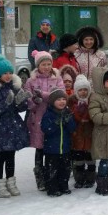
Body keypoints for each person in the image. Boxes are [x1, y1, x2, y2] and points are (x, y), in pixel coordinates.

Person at [0, 55, 31, 198]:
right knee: (0, 157)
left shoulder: (14, 86)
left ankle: (11, 182)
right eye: (5, 73)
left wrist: (20, 101)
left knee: (11, 156)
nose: (8, 75)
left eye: (10, 72)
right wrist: (6, 102)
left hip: (13, 126)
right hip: (0, 128)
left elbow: (21, 108)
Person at [25, 50, 65, 191]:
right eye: (43, 64)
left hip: (54, 116)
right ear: (38, 65)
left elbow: (60, 95)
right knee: (39, 149)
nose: (47, 67)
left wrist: (43, 95)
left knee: (51, 149)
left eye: (49, 64)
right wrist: (35, 101)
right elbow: (28, 100)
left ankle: (50, 175)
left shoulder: (57, 78)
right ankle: (40, 176)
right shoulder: (32, 80)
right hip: (38, 118)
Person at [41, 90, 76, 197]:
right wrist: (55, 123)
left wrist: (68, 120)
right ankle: (52, 188)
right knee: (52, 169)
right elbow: (45, 129)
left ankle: (63, 186)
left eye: (64, 99)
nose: (62, 102)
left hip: (65, 148)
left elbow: (72, 128)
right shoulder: (48, 114)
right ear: (52, 102)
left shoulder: (67, 112)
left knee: (65, 169)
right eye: (58, 99)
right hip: (52, 149)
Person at [68, 74, 95, 188]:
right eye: (80, 90)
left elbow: (93, 116)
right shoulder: (72, 102)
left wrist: (87, 112)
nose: (83, 92)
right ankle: (79, 179)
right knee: (78, 159)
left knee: (90, 158)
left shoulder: (92, 101)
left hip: (89, 134)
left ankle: (90, 178)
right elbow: (72, 118)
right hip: (77, 135)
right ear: (76, 91)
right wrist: (78, 111)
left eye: (85, 90)